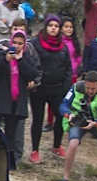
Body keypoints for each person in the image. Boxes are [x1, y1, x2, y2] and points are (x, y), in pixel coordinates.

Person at [0, 30, 39, 164]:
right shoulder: (0, 53)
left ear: (24, 45)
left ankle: (6, 162)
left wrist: (20, 60)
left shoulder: (27, 57)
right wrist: (6, 59)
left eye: (20, 43)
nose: (16, 46)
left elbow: (32, 74)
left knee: (10, 136)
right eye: (14, 42)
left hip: (14, 104)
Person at [28, 15, 72, 163]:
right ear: (45, 27)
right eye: (50, 25)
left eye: (56, 26)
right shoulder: (35, 43)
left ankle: (57, 146)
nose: (53, 28)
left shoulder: (63, 47)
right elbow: (31, 64)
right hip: (39, 89)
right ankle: (35, 150)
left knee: (60, 117)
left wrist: (65, 87)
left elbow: (68, 69)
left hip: (57, 90)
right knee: (38, 119)